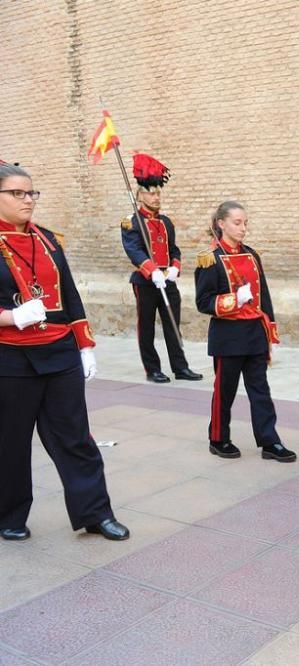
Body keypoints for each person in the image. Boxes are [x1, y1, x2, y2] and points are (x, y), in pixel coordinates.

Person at [0, 160, 129, 542]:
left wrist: (85, 344)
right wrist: (10, 317)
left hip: (58, 351)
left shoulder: (49, 239)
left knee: (75, 437)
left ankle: (95, 513)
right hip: (10, 355)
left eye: (31, 193)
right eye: (18, 194)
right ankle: (9, 514)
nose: (28, 201)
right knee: (11, 440)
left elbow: (69, 293)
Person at [194, 201, 294, 462]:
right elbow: (203, 301)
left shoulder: (251, 255)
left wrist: (270, 327)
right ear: (221, 223)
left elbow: (265, 296)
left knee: (260, 390)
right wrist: (233, 300)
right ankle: (218, 438)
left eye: (245, 223)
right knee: (224, 391)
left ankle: (270, 441)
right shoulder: (209, 259)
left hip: (254, 333)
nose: (243, 228)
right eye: (237, 223)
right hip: (228, 335)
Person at [120, 153, 202, 384]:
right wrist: (151, 270)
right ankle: (152, 368)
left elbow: (174, 249)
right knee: (146, 327)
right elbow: (133, 249)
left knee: (173, 324)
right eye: (151, 193)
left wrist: (174, 268)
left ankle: (180, 367)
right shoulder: (132, 222)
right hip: (146, 281)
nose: (156, 197)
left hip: (167, 279)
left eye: (158, 193)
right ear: (140, 196)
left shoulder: (166, 222)